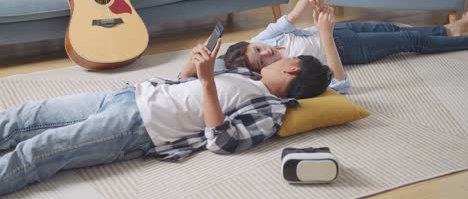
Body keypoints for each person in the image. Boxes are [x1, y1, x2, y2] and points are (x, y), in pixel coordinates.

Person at [0, 39, 331, 195]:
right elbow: (187, 91)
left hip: (137, 127)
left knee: (38, 151)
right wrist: (193, 68)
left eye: (285, 57)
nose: (273, 56)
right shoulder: (249, 76)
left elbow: (222, 140)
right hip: (129, 94)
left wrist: (206, 80)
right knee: (25, 115)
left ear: (292, 68)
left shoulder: (271, 109)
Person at [202, 0, 468, 94]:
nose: (267, 51)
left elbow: (291, 17)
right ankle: (457, 36)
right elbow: (339, 85)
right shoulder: (285, 72)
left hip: (337, 29)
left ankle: (447, 28)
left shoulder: (257, 41)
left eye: (260, 48)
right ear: (261, 69)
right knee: (408, 40)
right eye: (263, 58)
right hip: (345, 48)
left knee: (391, 26)